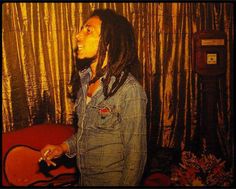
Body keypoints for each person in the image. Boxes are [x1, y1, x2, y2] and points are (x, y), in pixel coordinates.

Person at [40, 9, 147, 186]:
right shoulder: (84, 82)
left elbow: (135, 157)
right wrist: (62, 148)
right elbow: (86, 133)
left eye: (88, 30)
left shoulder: (129, 90)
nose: (77, 35)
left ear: (109, 41)